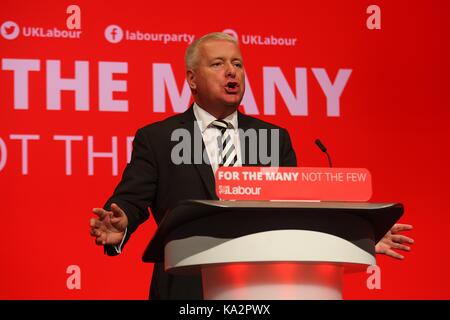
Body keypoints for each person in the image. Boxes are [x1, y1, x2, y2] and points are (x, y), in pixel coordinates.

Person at [89, 32, 414, 299]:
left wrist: (358, 236)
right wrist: (121, 226)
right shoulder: (159, 138)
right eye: (218, 64)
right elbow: (131, 200)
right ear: (192, 79)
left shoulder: (274, 138)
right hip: (186, 288)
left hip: (265, 286)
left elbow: (299, 210)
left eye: (238, 64)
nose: (232, 71)